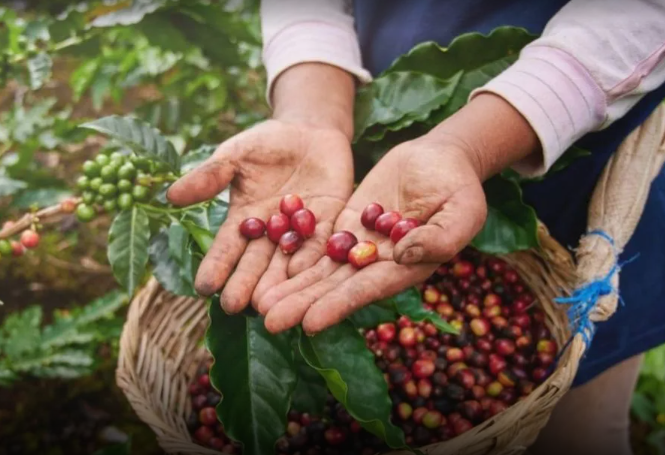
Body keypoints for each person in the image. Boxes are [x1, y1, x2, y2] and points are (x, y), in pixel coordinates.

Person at [166, 1, 665, 454]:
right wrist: (312, 113)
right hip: (375, 146)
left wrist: (469, 145)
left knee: (584, 425)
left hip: (584, 158)